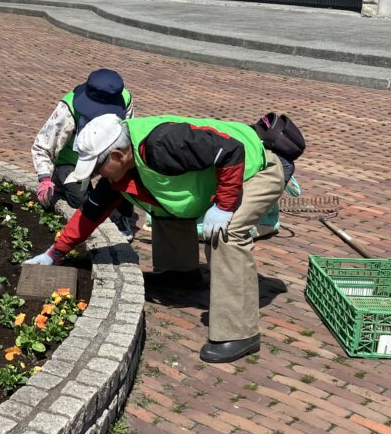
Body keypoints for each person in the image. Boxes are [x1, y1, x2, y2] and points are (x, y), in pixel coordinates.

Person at [26, 113, 285, 363]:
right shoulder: (126, 162)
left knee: (227, 233)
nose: (97, 174)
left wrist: (225, 206)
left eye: (98, 167)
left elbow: (231, 150)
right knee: (163, 201)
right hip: (225, 170)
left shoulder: (164, 143)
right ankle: (179, 273)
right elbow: (91, 212)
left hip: (254, 170)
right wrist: (55, 253)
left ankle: (240, 333)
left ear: (117, 155)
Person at [31, 69, 137, 238]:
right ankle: (59, 179)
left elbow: (127, 135)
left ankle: (120, 218)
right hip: (72, 161)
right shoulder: (68, 108)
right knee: (81, 201)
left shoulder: (124, 98)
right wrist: (44, 178)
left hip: (106, 157)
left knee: (125, 177)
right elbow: (42, 146)